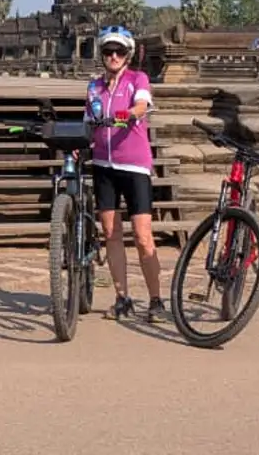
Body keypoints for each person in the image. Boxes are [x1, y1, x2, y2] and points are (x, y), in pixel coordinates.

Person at [86, 25, 165, 323]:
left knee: (143, 236)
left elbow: (143, 104)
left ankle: (156, 299)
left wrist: (128, 113)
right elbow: (88, 120)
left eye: (119, 51)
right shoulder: (94, 87)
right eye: (108, 51)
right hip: (104, 165)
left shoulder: (137, 79)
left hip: (134, 165)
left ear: (128, 54)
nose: (114, 56)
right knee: (110, 233)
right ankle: (122, 297)